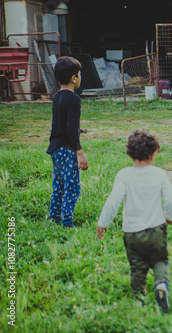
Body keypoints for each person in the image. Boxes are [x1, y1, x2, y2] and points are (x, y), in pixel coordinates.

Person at [96, 130, 172, 315]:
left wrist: (103, 222)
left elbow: (113, 200)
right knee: (160, 260)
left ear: (129, 154)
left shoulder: (124, 175)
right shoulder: (159, 174)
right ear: (155, 153)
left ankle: (138, 297)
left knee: (137, 265)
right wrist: (169, 216)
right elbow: (171, 198)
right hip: (157, 229)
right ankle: (162, 285)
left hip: (132, 233)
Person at [47, 56, 88, 228]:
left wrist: (78, 130)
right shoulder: (74, 100)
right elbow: (70, 129)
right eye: (79, 74)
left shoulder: (57, 97)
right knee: (72, 187)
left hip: (55, 148)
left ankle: (54, 217)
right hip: (66, 149)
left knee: (59, 185)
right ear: (74, 78)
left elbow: (61, 123)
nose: (80, 77)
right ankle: (67, 222)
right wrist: (80, 152)